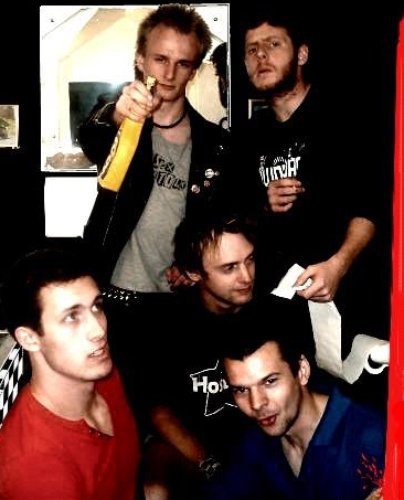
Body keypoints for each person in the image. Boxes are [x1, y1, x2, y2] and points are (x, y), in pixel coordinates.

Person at [232, 7, 380, 320]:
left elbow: (370, 206)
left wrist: (338, 265)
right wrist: (264, 204)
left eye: (273, 44)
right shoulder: (248, 134)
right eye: (252, 50)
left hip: (342, 296)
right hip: (276, 300)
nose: (261, 55)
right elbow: (236, 213)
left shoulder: (344, 117)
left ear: (301, 54)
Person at [80, 3, 231, 293]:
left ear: (193, 71)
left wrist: (197, 262)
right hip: (111, 290)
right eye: (161, 59)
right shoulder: (120, 120)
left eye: (183, 63)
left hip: (181, 298)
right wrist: (118, 115)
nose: (169, 73)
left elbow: (220, 225)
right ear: (140, 59)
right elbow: (91, 135)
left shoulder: (216, 145)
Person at [0, 243, 140, 500]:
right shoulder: (35, 468)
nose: (98, 330)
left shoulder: (103, 375)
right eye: (72, 317)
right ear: (29, 339)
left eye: (96, 306)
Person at [207, 295, 385, 500]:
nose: (256, 404)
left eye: (270, 381)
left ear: (302, 371)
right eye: (241, 390)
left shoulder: (370, 437)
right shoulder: (254, 441)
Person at [140, 213, 258, 500]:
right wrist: (208, 464)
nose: (246, 276)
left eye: (250, 260)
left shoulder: (270, 314)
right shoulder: (167, 324)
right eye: (229, 268)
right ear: (194, 273)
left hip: (259, 448)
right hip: (194, 453)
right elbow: (160, 412)